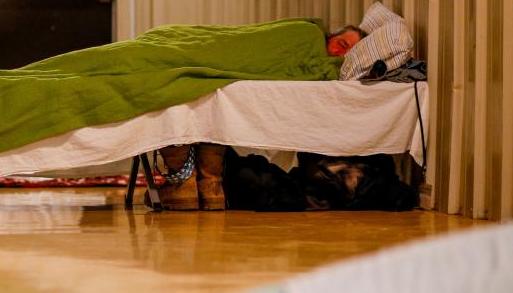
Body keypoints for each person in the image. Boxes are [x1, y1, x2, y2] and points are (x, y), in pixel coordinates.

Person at [150, 24, 367, 211]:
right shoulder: (309, 34)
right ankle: (210, 188)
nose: (340, 54)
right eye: (341, 44)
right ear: (329, 37)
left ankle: (188, 186)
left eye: (347, 54)